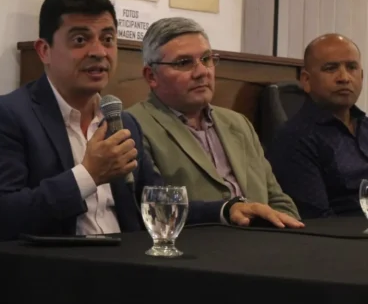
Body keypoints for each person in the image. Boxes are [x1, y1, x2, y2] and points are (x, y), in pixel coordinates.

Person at [0, 0, 293, 266]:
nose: (98, 52)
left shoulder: (119, 120)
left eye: (107, 39)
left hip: (122, 268)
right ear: (44, 50)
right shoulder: (3, 116)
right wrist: (88, 174)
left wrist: (228, 208)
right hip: (40, 274)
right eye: (80, 40)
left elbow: (152, 202)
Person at [127, 17, 302, 226]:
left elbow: (278, 201)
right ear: (151, 76)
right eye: (184, 63)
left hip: (264, 241)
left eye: (206, 59)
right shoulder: (134, 127)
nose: (202, 72)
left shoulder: (238, 123)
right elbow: (156, 211)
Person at [267, 34, 368, 218]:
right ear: (306, 80)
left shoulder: (365, 126)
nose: (344, 77)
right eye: (331, 68)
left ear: (361, 76)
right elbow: (318, 220)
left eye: (352, 67)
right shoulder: (293, 139)